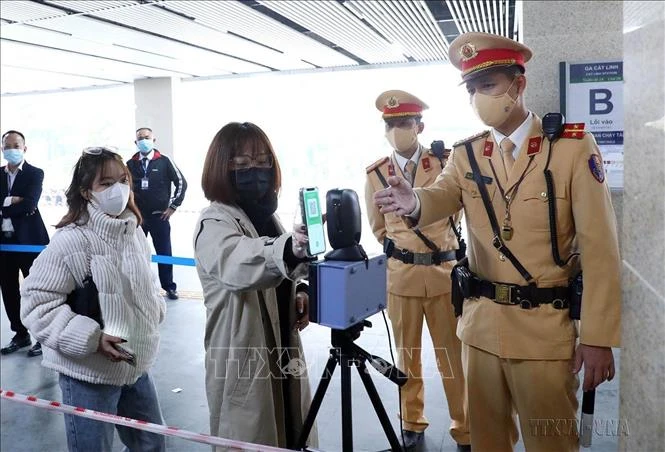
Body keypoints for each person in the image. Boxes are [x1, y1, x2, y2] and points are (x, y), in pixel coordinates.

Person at [374, 32, 621, 452]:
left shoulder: (571, 149)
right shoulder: (468, 155)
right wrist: (412, 200)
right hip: (480, 330)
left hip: (544, 333)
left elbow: (600, 249)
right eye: (471, 89)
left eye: (487, 85)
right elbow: (440, 197)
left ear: (518, 85)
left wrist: (597, 338)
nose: (478, 98)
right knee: (487, 443)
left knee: (552, 444)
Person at [21, 146, 167, 452]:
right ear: (87, 193)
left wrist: (155, 310)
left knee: (151, 444)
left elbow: (148, 282)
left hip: (134, 363)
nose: (119, 189)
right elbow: (36, 303)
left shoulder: (134, 231)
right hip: (88, 373)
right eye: (106, 183)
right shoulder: (72, 240)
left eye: (123, 179)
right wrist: (91, 338)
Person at [193, 122, 317, 450]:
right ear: (221, 168)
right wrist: (289, 249)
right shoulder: (214, 222)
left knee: (292, 430)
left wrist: (300, 290)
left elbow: (281, 271)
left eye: (263, 162)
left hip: (281, 349)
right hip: (242, 359)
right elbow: (239, 262)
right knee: (252, 434)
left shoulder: (267, 218)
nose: (256, 171)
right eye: (242, 163)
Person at [364, 91, 470, 451]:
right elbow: (379, 228)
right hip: (402, 278)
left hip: (443, 274)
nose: (397, 130)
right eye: (390, 124)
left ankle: (464, 425)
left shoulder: (446, 163)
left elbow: (456, 214)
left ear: (419, 126)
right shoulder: (377, 173)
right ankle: (411, 420)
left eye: (404, 123)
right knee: (406, 354)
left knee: (452, 356)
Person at [0, 130, 49, 357]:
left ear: (25, 148)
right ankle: (20, 334)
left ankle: (43, 337)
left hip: (30, 242)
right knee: (9, 290)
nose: (12, 149)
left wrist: (4, 205)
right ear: (2, 149)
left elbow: (29, 205)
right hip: (4, 244)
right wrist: (14, 201)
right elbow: (21, 205)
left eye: (16, 145)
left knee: (36, 291)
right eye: (7, 145)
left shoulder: (34, 173)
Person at [126, 127, 187, 300]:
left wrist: (173, 206)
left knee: (164, 253)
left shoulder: (164, 161)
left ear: (154, 140)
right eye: (140, 138)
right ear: (135, 142)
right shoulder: (131, 164)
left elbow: (181, 183)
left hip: (160, 216)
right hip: (139, 218)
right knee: (137, 254)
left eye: (147, 137)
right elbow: (125, 188)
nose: (143, 140)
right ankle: (140, 287)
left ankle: (169, 287)